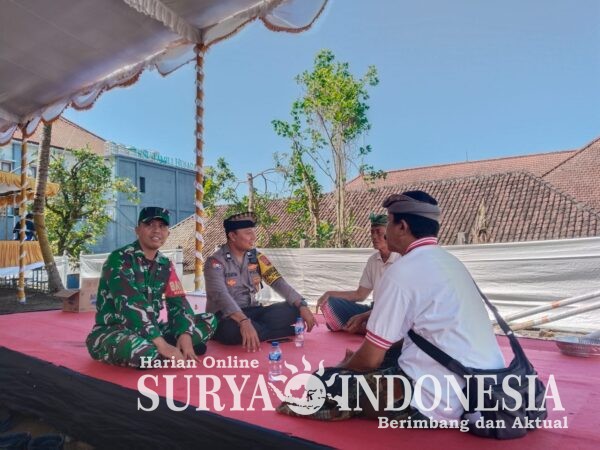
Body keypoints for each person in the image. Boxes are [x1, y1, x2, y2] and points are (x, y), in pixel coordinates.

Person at [278, 191, 504, 422]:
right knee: (384, 356)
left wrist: (346, 365)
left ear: (402, 227)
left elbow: (370, 360)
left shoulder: (403, 270)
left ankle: (337, 403)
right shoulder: (452, 263)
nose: (384, 232)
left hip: (440, 400)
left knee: (324, 380)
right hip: (487, 388)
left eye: (388, 223)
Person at [86, 206, 216, 368]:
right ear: (137, 230)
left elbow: (178, 302)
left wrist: (186, 334)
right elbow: (130, 304)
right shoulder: (119, 259)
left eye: (162, 226)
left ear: (168, 233)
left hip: (153, 329)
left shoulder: (165, 264)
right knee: (142, 352)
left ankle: (172, 346)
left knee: (209, 320)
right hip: (115, 332)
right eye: (149, 225)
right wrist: (162, 344)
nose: (156, 230)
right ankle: (164, 349)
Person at [204, 212, 316, 351]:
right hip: (227, 316)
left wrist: (302, 305)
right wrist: (243, 321)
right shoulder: (215, 262)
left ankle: (258, 330)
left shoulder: (256, 257)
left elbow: (278, 282)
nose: (253, 237)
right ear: (232, 236)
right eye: (248, 233)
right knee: (230, 331)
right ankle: (276, 332)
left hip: (254, 311)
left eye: (253, 232)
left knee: (294, 310)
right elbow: (220, 295)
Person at [317, 213, 400, 334]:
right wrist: (329, 294)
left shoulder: (401, 259)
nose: (374, 236)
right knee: (332, 304)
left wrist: (362, 316)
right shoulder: (373, 260)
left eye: (378, 232)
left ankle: (363, 327)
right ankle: (368, 328)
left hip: (393, 311)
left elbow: (397, 305)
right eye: (372, 232)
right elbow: (360, 295)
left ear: (390, 234)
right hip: (374, 310)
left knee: (388, 320)